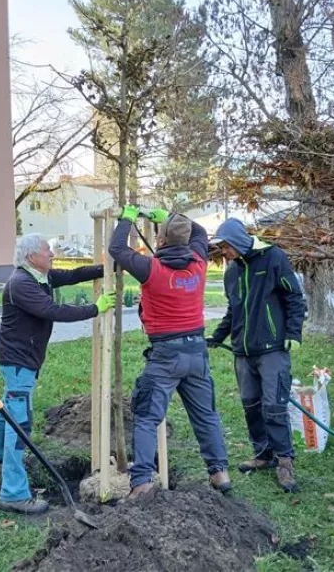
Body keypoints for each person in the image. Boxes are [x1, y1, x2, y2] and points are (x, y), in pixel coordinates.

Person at [0, 233, 116, 514]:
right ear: (32, 256)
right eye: (47, 251)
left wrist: (108, 267)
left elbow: (74, 274)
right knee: (20, 427)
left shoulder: (41, 277)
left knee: (9, 407)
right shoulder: (21, 284)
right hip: (19, 363)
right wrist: (96, 308)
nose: (52, 254)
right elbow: (53, 310)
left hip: (20, 362)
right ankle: (13, 493)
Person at [109, 205, 230, 498]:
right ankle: (219, 474)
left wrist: (127, 218)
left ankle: (141, 483)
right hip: (197, 353)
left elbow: (116, 248)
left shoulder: (152, 269)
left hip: (166, 355)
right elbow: (199, 232)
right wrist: (170, 218)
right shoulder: (199, 261)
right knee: (206, 415)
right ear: (186, 241)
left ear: (160, 241)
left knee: (147, 416)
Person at [206, 218, 304, 493]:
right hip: (243, 352)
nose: (223, 253)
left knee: (274, 407)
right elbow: (232, 310)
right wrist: (218, 336)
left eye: (225, 247)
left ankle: (284, 461)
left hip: (273, 349)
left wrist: (293, 333)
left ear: (237, 242)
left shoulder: (273, 257)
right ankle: (264, 455)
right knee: (251, 406)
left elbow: (294, 298)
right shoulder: (232, 272)